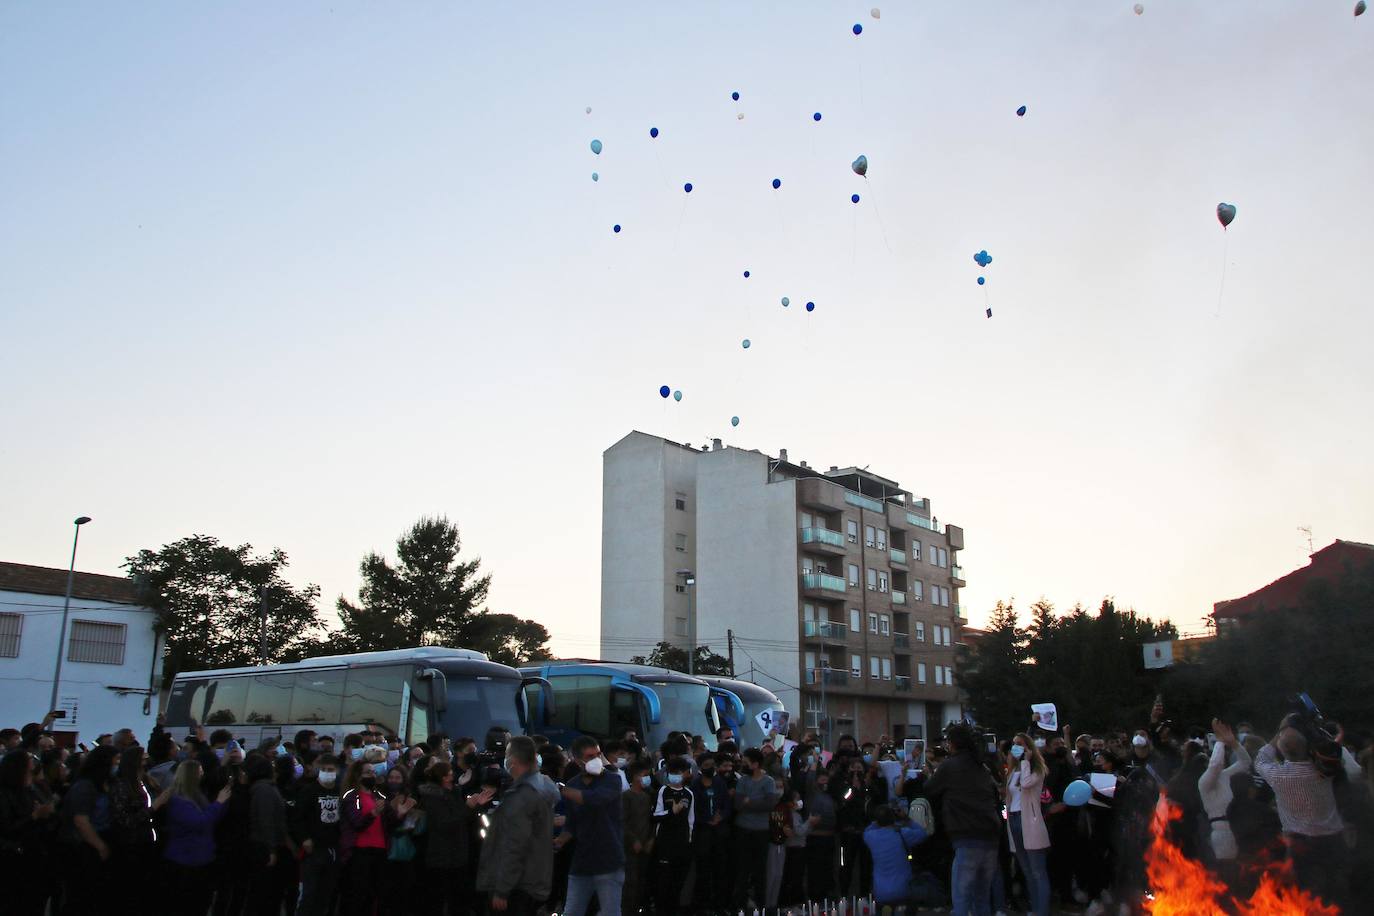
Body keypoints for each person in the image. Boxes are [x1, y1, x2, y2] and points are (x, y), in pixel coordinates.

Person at [1253, 715, 1361, 907]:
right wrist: (1325, 741)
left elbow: (1260, 759)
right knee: (1338, 894)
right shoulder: (1325, 771)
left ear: (1282, 749)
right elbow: (1353, 771)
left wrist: (1280, 730)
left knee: (1304, 897)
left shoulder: (1277, 775)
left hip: (1299, 845)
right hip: (1333, 841)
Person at [924, 723, 1003, 916]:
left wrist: (929, 774)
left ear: (951, 743)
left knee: (961, 895)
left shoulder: (950, 766)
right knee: (982, 896)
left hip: (966, 833)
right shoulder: (980, 765)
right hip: (990, 834)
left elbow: (929, 789)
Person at [476, 736, 554, 916]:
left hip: (517, 886)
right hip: (532, 880)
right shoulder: (542, 787)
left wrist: (502, 889)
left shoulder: (521, 796)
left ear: (513, 760)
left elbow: (514, 845)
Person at [158, 757, 232, 916]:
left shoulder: (197, 796)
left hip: (200, 858)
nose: (202, 775)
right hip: (186, 860)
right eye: (199, 772)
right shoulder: (178, 800)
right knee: (189, 904)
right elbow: (200, 823)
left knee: (201, 903)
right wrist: (219, 803)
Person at [560, 736, 626, 916]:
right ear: (577, 760)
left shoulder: (613, 780)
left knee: (610, 912)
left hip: (609, 859)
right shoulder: (573, 784)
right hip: (582, 861)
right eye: (590, 756)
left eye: (598, 754)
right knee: (572, 911)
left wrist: (563, 791)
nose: (597, 760)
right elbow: (572, 823)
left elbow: (596, 799)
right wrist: (560, 840)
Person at [58, 744, 119, 914]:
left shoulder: (105, 785)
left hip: (100, 838)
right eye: (116, 760)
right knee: (82, 895)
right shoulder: (85, 786)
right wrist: (100, 845)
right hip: (84, 846)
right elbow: (81, 820)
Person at [0, 749, 57, 916]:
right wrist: (34, 816)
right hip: (15, 856)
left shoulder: (31, 789)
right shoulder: (5, 793)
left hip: (36, 852)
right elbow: (7, 828)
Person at [1198, 720, 1251, 876]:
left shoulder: (1226, 775)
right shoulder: (1204, 783)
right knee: (1227, 874)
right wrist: (1220, 742)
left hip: (1238, 827)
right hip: (1221, 832)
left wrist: (1234, 743)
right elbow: (1215, 765)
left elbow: (1245, 762)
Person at [293, 753, 342, 916]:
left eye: (330, 769)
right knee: (309, 894)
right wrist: (304, 838)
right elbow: (298, 818)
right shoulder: (309, 790)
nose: (327, 772)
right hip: (313, 848)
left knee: (325, 894)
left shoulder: (339, 791)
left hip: (333, 848)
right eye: (324, 769)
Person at [340, 754, 388, 916]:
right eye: (368, 772)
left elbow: (387, 821)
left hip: (379, 849)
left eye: (373, 772)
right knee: (358, 893)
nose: (372, 776)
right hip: (360, 850)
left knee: (373, 893)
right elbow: (356, 823)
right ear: (358, 776)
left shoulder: (378, 795)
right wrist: (373, 813)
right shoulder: (352, 796)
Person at [731, 747, 779, 909]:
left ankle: (761, 904)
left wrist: (749, 802)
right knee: (742, 868)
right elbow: (738, 804)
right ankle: (740, 904)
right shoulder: (743, 781)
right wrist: (754, 802)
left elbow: (770, 804)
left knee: (760, 869)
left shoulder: (768, 781)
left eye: (746, 763)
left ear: (755, 764)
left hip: (761, 830)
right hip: (743, 829)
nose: (743, 765)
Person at [245, 753, 291, 916]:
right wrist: (271, 849)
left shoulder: (262, 788)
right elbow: (266, 820)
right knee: (263, 891)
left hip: (263, 844)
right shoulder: (265, 789)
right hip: (264, 846)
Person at [652, 757, 695, 915]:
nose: (676, 775)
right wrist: (672, 811)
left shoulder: (689, 793)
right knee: (663, 883)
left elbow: (691, 820)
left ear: (685, 774)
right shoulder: (663, 791)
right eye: (672, 772)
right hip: (665, 843)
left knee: (678, 883)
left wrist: (689, 841)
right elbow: (655, 815)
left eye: (679, 772)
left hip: (682, 844)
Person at [864, 804, 929, 907]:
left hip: (880, 891)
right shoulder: (902, 834)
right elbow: (922, 833)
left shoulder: (870, 836)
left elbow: (868, 829)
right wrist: (906, 818)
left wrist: (878, 820)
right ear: (892, 818)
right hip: (903, 890)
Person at [690, 753, 732, 912]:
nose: (711, 768)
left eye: (712, 765)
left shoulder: (719, 782)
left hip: (719, 830)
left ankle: (720, 903)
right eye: (707, 766)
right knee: (703, 869)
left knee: (720, 868)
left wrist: (721, 815)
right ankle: (703, 904)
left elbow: (727, 803)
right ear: (701, 768)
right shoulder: (695, 785)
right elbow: (694, 808)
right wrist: (705, 819)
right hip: (703, 831)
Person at [621, 761, 654, 916]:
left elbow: (652, 820)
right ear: (634, 777)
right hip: (630, 847)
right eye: (644, 775)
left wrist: (650, 840)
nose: (647, 778)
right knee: (630, 883)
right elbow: (622, 822)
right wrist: (633, 840)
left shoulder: (649, 796)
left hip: (646, 846)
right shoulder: (626, 797)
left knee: (643, 881)